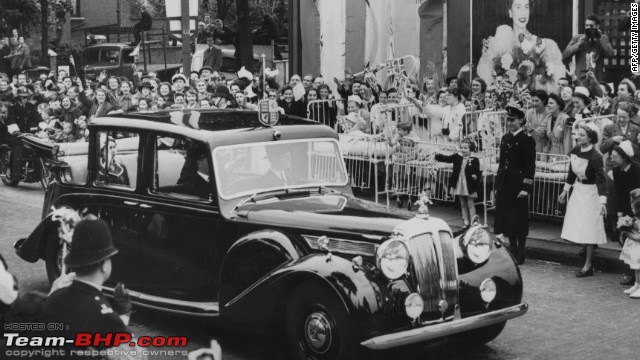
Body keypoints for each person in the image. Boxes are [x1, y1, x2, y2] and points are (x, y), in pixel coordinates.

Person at [42, 219, 132, 355]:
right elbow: (124, 350)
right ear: (104, 265)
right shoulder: (105, 315)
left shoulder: (53, 298)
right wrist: (124, 314)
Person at [477, 0, 564, 92]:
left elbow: (556, 81)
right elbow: (486, 75)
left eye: (526, 7)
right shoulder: (500, 41)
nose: (523, 12)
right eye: (518, 7)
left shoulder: (542, 44)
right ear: (510, 12)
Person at [558, 123, 607, 277]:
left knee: (590, 227)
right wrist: (565, 191)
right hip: (578, 191)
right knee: (579, 224)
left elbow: (601, 180)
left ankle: (588, 265)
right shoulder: (575, 151)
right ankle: (586, 250)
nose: (578, 137)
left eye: (582, 135)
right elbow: (571, 173)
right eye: (577, 134)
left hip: (591, 193)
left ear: (591, 137)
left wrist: (602, 201)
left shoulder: (596, 156)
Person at [494, 106, 536, 265]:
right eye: (508, 120)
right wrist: (498, 184)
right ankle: (512, 247)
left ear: (521, 121)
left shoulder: (527, 140)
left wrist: (526, 188)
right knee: (507, 219)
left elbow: (530, 166)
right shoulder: (505, 138)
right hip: (505, 184)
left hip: (518, 185)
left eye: (513, 120)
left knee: (519, 219)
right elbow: (502, 164)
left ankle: (521, 250)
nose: (510, 123)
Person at [609, 141, 640, 286]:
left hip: (638, 210)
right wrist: (621, 215)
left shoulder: (637, 170)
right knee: (627, 242)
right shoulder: (616, 171)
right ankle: (631, 274)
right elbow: (620, 194)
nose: (612, 159)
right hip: (627, 210)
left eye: (615, 157)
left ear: (624, 157)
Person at [434, 138, 482, 227]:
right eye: (462, 147)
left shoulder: (475, 159)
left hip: (469, 185)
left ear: (470, 149)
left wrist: (475, 176)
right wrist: (437, 156)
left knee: (470, 204)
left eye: (465, 148)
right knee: (463, 204)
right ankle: (466, 220)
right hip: (459, 183)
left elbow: (478, 171)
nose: (463, 150)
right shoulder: (457, 156)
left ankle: (474, 222)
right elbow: (447, 159)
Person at [562, 14, 615, 86]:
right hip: (580, 80)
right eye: (586, 26)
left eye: (591, 26)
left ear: (597, 26)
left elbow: (611, 54)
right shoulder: (578, 38)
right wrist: (579, 43)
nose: (588, 28)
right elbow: (565, 55)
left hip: (596, 80)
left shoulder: (603, 38)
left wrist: (600, 39)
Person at [619, 189, 640, 298]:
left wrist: (628, 234)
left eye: (633, 208)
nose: (631, 210)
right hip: (636, 248)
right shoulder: (636, 220)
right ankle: (637, 284)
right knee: (636, 267)